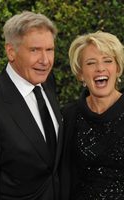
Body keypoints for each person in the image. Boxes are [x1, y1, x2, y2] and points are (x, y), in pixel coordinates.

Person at [0, 11, 63, 200]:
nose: (45, 60)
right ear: (11, 51)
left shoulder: (47, 81)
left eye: (49, 50)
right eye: (34, 50)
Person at [60, 31, 124, 200]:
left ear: (117, 68)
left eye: (108, 61)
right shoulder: (68, 116)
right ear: (80, 74)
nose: (100, 68)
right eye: (91, 63)